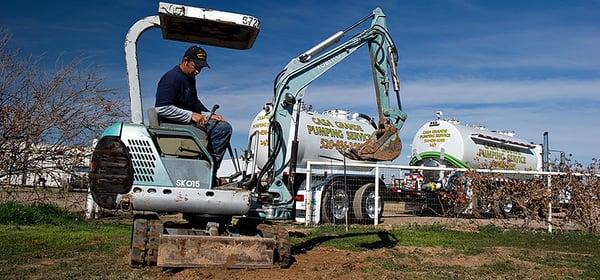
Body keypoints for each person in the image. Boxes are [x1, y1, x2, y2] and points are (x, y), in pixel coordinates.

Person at [155, 46, 232, 175]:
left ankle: (203, 169)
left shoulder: (189, 78)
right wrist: (191, 115)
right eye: (195, 66)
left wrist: (209, 115)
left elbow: (194, 102)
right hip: (172, 124)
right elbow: (162, 108)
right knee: (222, 129)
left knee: (221, 125)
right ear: (185, 61)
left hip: (184, 123)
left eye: (200, 68)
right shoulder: (172, 78)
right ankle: (205, 172)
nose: (197, 71)